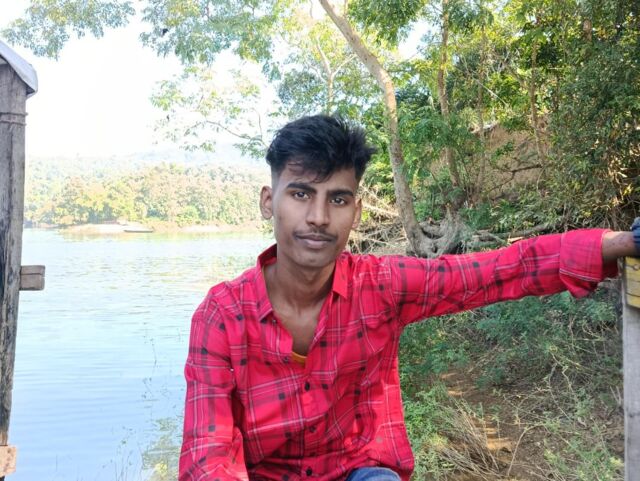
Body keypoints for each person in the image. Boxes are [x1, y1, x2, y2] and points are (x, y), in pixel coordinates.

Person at [179, 115, 637, 481]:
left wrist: (619, 243)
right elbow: (208, 455)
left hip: (358, 470)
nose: (318, 217)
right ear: (269, 201)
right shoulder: (222, 316)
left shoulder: (380, 286)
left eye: (338, 199)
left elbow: (499, 271)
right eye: (300, 194)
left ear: (356, 210)